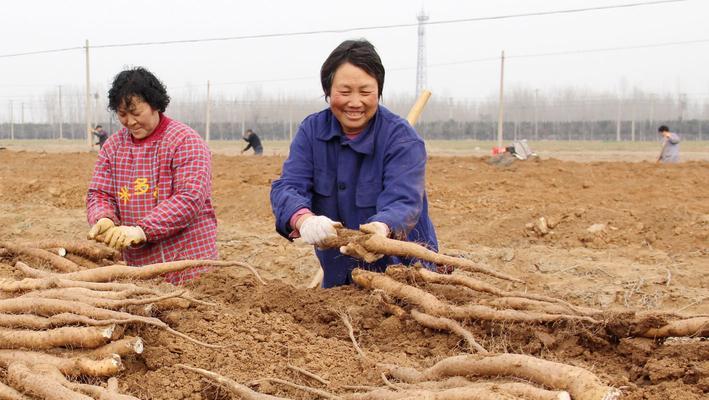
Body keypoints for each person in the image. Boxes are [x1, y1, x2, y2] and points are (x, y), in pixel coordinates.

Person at [270, 39, 438, 288]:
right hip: (340, 274)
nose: (355, 102)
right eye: (345, 92)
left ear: (379, 91)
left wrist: (383, 227)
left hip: (404, 273)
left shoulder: (401, 139)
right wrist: (304, 219)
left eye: (366, 92)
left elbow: (404, 201)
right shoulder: (312, 132)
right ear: (328, 91)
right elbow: (288, 187)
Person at [86, 67, 218, 285]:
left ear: (155, 104)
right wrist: (104, 218)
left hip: (190, 265)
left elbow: (189, 198)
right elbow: (100, 192)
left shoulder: (185, 141)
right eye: (122, 114)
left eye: (136, 113)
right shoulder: (113, 147)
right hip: (141, 270)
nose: (130, 121)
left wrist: (142, 230)